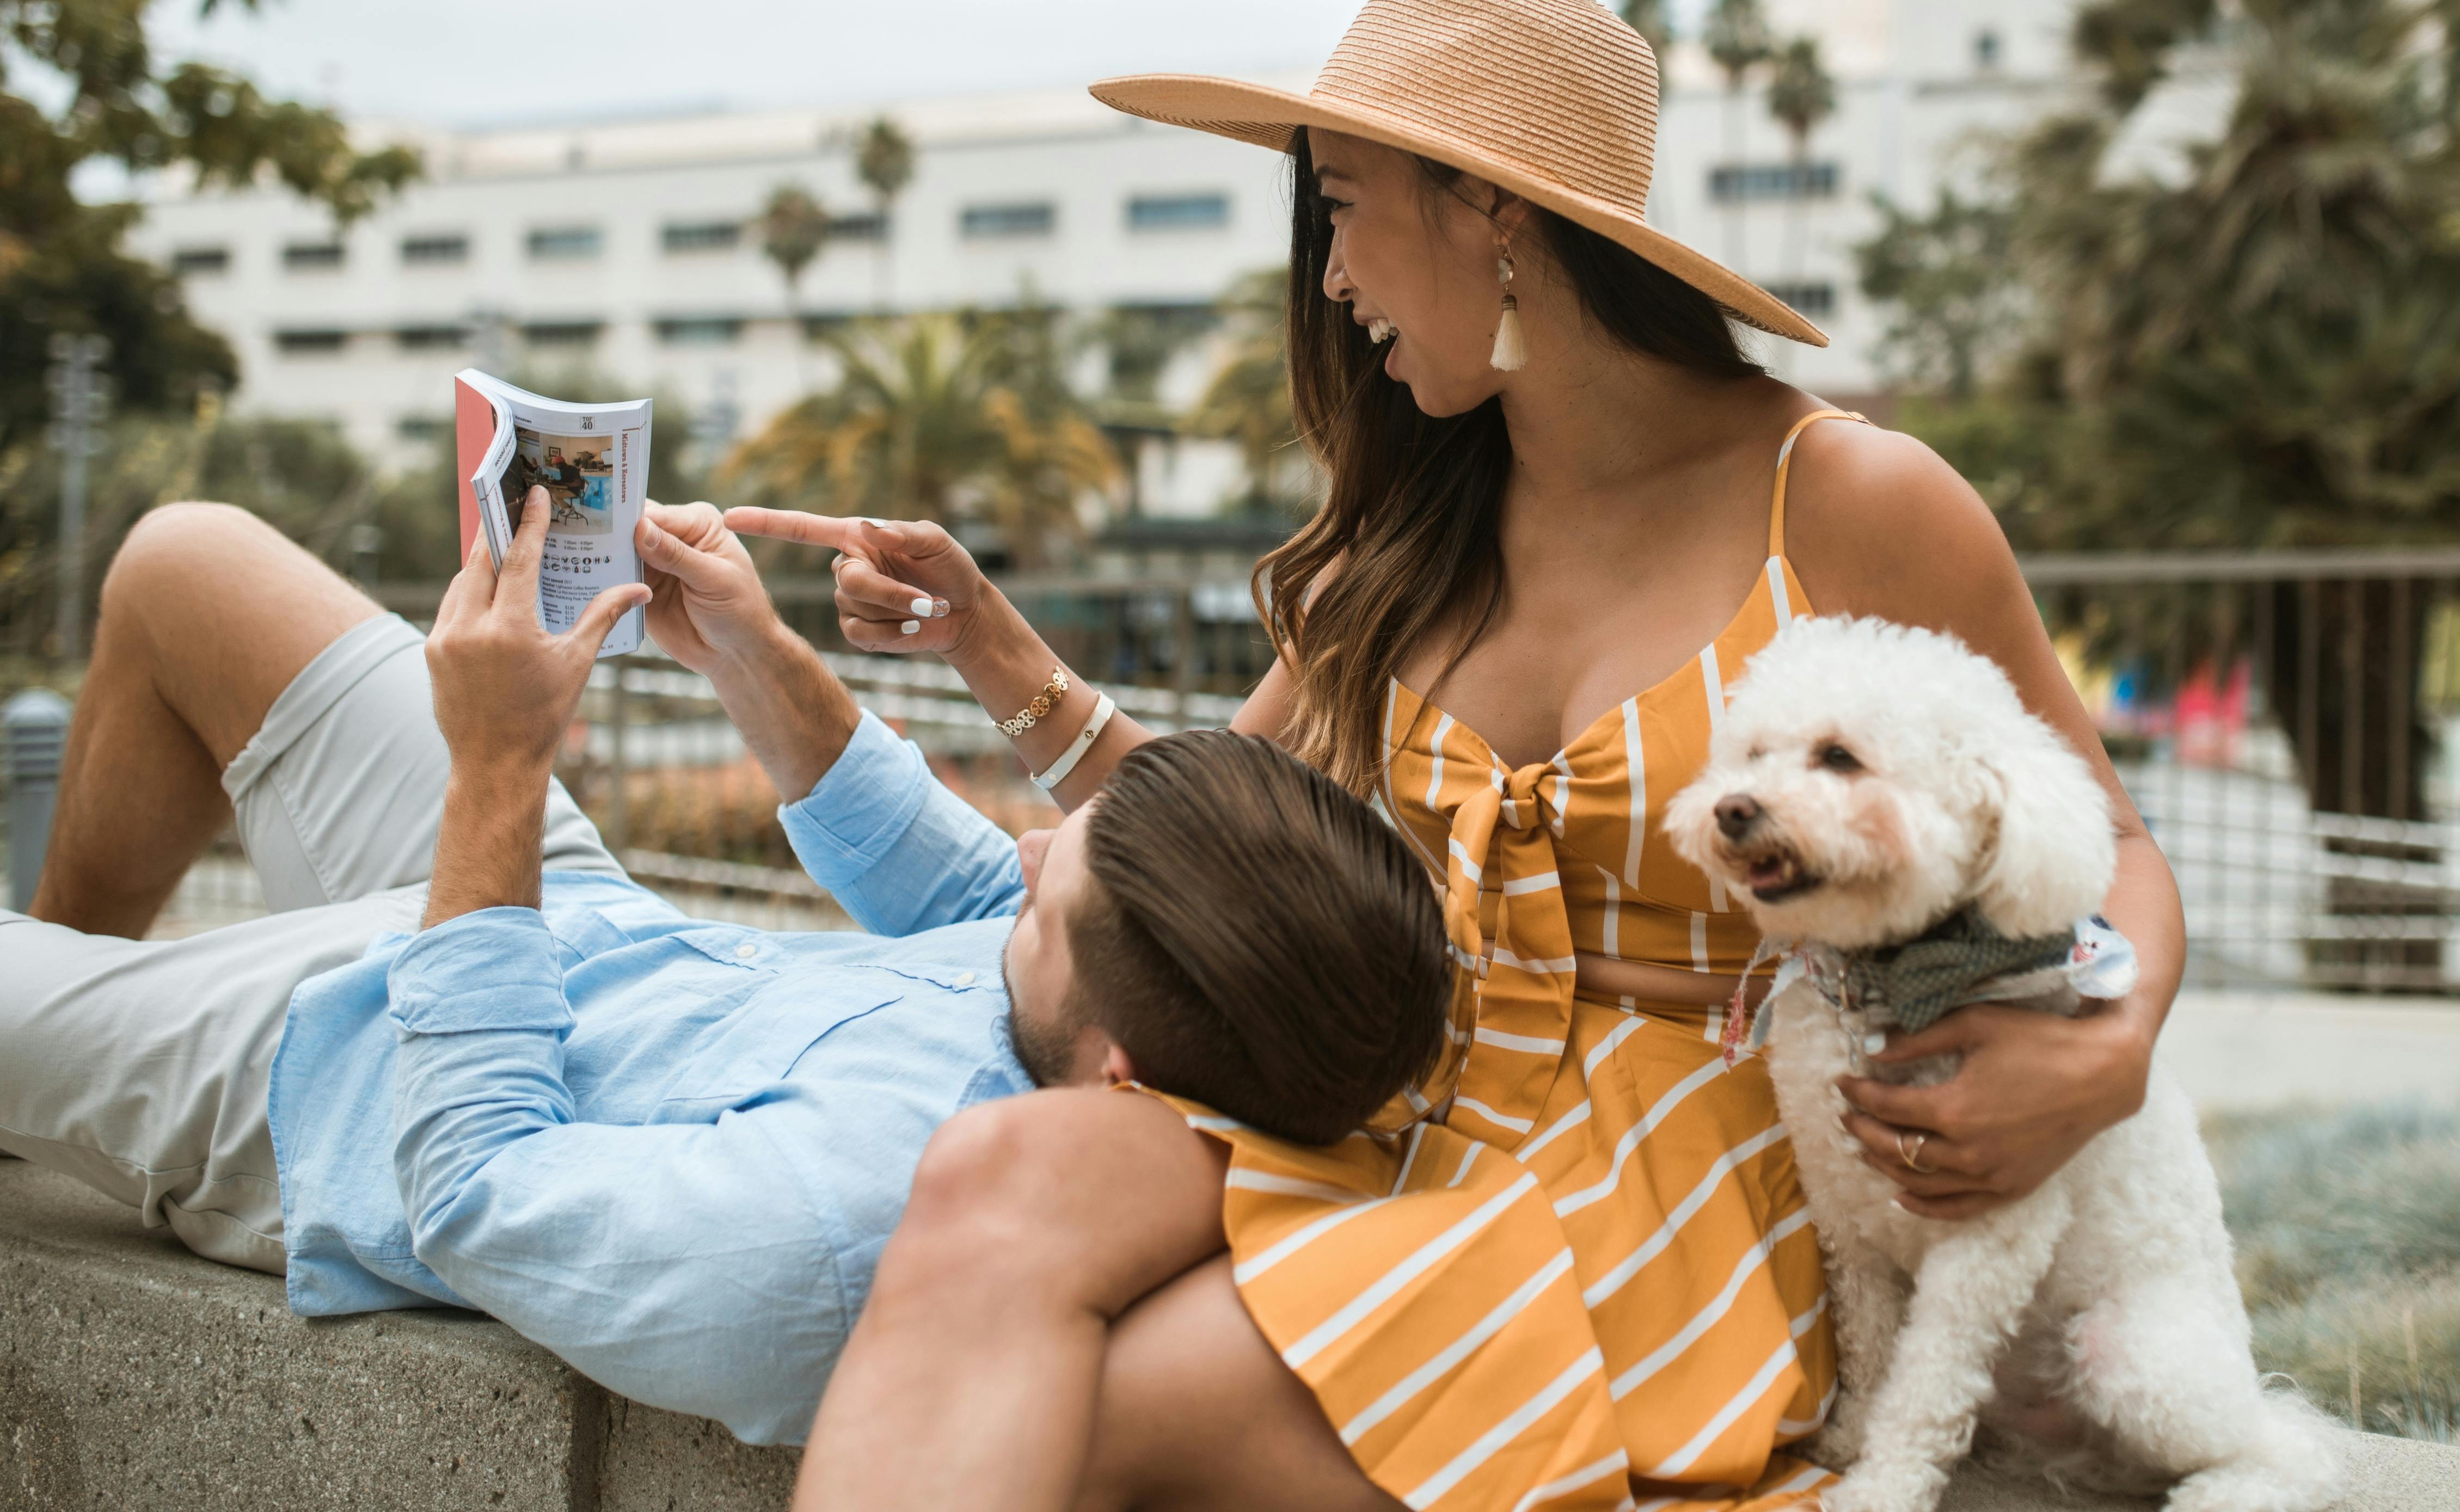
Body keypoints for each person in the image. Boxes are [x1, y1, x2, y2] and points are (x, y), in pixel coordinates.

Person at [750, 0, 2191, 1512]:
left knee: (1100, 1411)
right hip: (1384, 1102)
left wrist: (2102, 1052)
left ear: (1487, 209)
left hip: (1678, 1194)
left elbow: (2102, 841)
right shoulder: (1414, 522)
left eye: (1346, 206)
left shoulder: (1844, 498)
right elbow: (1216, 839)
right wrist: (988, 641)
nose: (1328, 276)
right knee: (991, 1178)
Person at [0, 487, 1450, 1446]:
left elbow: (473, 1191)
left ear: (1116, 1070)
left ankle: (62, 1044)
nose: (1017, 858)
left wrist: (500, 768)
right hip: (574, 924)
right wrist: (750, 652)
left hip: (330, 1080)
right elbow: (962, 888)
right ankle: (46, 1060)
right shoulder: (1142, 1023)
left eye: (1044, 895)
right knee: (187, 561)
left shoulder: (820, 1243)